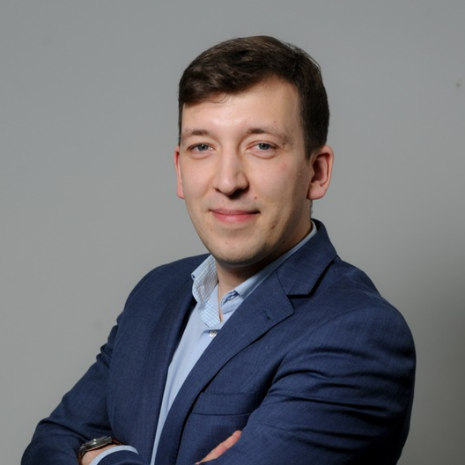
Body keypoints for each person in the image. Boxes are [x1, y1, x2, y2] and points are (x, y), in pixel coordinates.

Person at [22, 36, 415, 465]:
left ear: (317, 172)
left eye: (262, 145)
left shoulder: (357, 334)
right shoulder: (155, 293)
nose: (228, 181)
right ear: (179, 170)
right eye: (202, 147)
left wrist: (98, 457)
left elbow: (73, 446)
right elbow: (48, 444)